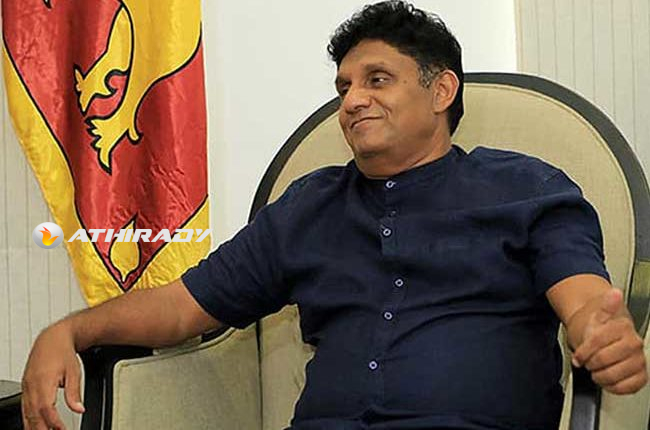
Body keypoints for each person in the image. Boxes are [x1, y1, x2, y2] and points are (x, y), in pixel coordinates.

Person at [21, 2, 647, 429]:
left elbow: (586, 301)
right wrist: (70, 332)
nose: (352, 101)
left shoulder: (526, 189)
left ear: (441, 91)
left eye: (377, 79)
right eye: (344, 87)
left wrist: (602, 331)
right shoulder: (308, 206)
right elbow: (184, 306)